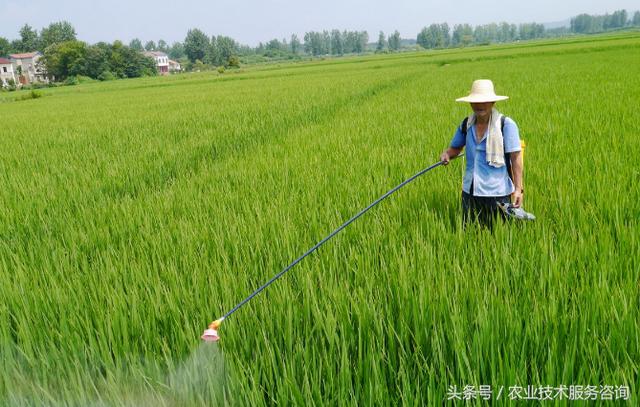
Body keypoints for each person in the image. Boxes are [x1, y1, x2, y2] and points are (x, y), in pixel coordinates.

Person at [440, 79, 523, 228]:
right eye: (476, 101)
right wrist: (446, 154)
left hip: (497, 192)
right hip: (469, 191)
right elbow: (455, 148)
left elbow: (516, 157)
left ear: (492, 102)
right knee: (470, 232)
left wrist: (518, 189)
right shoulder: (467, 124)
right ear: (471, 103)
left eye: (484, 101)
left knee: (498, 236)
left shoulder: (506, 125)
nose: (480, 105)